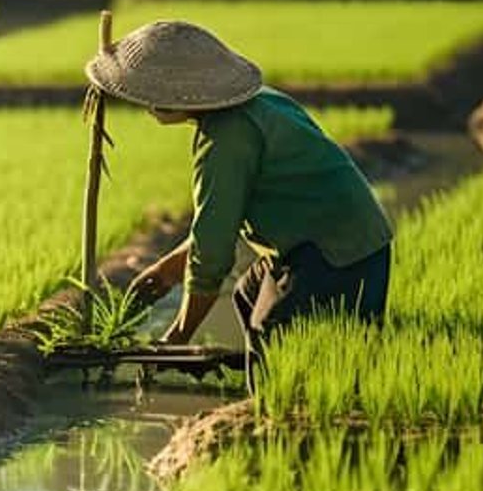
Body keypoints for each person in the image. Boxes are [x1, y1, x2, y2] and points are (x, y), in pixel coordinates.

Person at [100, 20, 393, 358]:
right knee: (247, 294)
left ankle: (271, 405)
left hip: (337, 252)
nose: (147, 102)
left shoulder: (226, 139)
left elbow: (212, 252)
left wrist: (178, 335)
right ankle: (263, 395)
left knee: (274, 328)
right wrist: (169, 269)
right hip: (338, 239)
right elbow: (220, 219)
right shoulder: (259, 102)